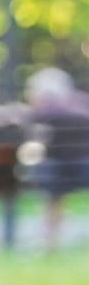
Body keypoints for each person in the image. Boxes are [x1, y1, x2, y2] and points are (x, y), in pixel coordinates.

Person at [11, 67, 89, 250]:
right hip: (83, 168)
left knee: (49, 182)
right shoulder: (82, 106)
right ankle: (51, 239)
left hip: (57, 173)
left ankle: (50, 240)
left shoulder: (40, 114)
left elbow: (33, 143)